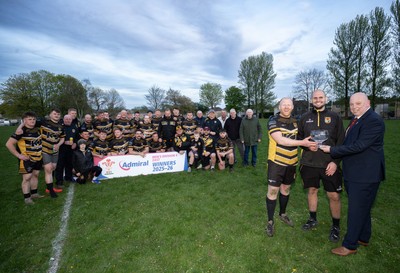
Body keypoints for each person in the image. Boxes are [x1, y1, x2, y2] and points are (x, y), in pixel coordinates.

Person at [320, 92, 385, 256]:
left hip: (364, 175)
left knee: (356, 210)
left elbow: (359, 146)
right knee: (363, 207)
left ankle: (349, 246)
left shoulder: (373, 121)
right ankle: (363, 237)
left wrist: (331, 150)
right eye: (351, 104)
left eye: (358, 104)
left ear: (368, 102)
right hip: (356, 173)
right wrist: (334, 156)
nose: (354, 107)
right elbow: (349, 142)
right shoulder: (357, 119)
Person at [298, 89, 345, 243]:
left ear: (326, 99)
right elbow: (300, 139)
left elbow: (341, 142)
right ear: (311, 100)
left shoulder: (335, 117)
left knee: (334, 195)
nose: (318, 100)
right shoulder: (304, 118)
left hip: (329, 164)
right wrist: (306, 146)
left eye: (321, 97)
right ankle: (312, 219)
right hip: (309, 163)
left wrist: (335, 162)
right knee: (312, 190)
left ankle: (336, 226)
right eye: (315, 98)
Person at [265, 98, 317, 237]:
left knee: (286, 189)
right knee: (273, 191)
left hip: (292, 162)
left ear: (292, 106)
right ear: (279, 106)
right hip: (276, 162)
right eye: (284, 104)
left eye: (289, 104)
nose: (286, 107)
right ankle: (270, 221)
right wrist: (303, 143)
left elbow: (306, 137)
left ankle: (283, 214)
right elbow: (280, 140)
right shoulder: (273, 120)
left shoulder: (296, 122)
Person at [5, 111, 44, 204]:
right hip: (27, 159)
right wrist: (19, 155)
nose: (32, 121)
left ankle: (34, 193)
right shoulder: (20, 131)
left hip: (38, 157)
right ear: (24, 121)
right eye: (29, 119)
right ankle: (27, 198)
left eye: (34, 119)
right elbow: (9, 144)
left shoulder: (37, 128)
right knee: (27, 177)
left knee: (35, 175)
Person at [40, 108, 65, 197]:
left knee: (53, 168)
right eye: (54, 114)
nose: (56, 115)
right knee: (48, 169)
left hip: (55, 151)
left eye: (58, 114)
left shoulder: (61, 126)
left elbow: (62, 138)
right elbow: (28, 123)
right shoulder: (43, 122)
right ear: (50, 114)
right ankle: (50, 190)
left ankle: (50, 187)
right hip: (45, 150)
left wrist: (58, 144)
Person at [55, 114, 79, 188]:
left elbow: (77, 137)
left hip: (71, 149)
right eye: (66, 119)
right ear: (64, 119)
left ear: (71, 120)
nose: (68, 120)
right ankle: (59, 181)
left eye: (69, 119)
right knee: (60, 165)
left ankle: (68, 177)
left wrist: (75, 143)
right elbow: (56, 137)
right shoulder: (60, 127)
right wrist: (64, 142)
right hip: (62, 149)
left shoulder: (74, 127)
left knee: (69, 164)